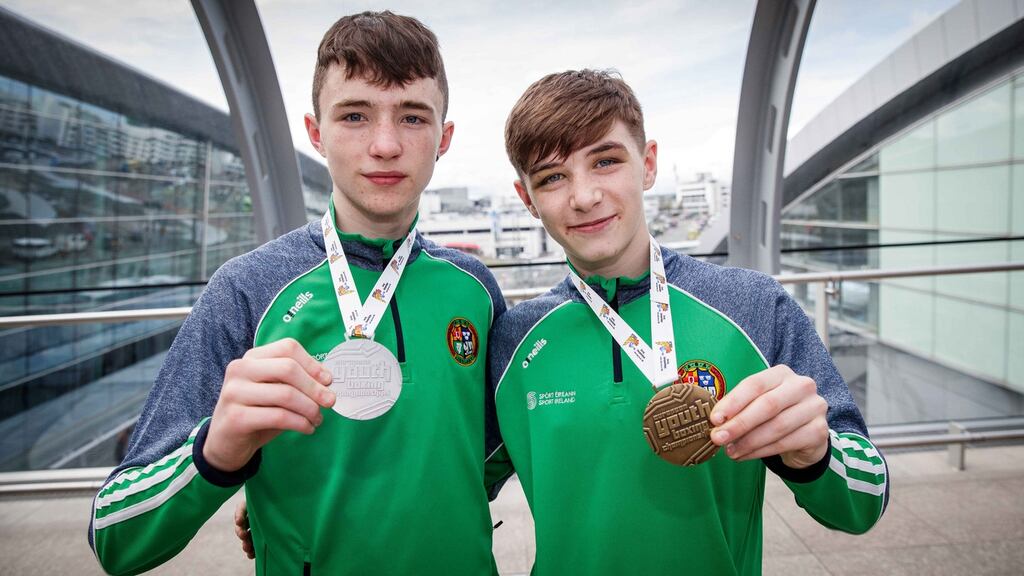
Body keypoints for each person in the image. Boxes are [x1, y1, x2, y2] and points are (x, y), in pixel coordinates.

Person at [89, 12, 504, 575]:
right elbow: (114, 537)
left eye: (412, 116)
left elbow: (489, 457)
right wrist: (218, 455)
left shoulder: (475, 288)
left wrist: (322, 499)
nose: (385, 144)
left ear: (443, 138)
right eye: (354, 115)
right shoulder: (247, 288)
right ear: (315, 133)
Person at [482, 69, 889, 574]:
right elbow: (454, 485)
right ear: (527, 199)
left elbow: (865, 502)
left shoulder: (752, 305)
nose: (583, 196)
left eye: (605, 161)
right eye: (552, 177)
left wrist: (816, 454)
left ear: (648, 165)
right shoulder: (514, 339)